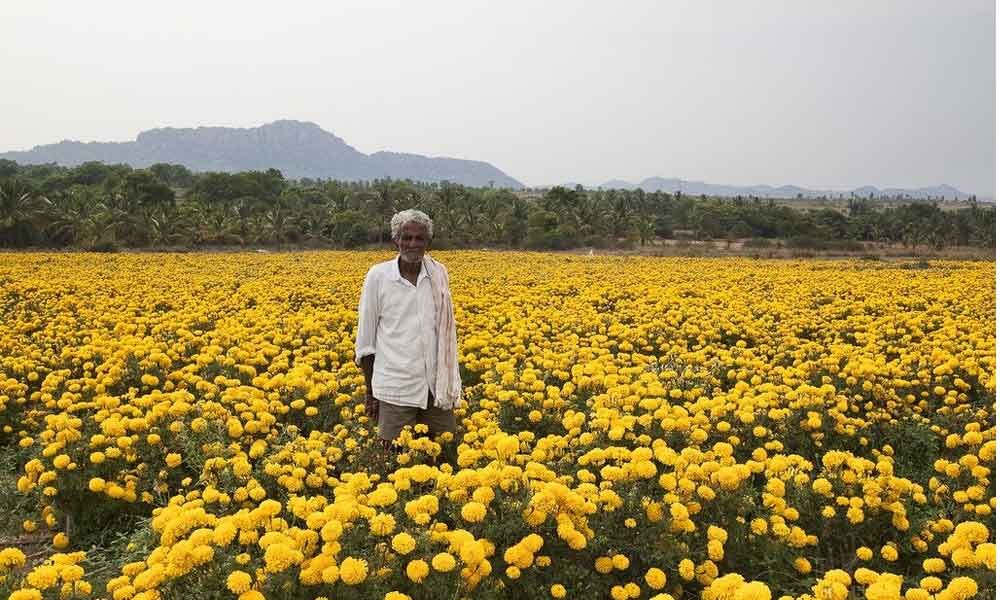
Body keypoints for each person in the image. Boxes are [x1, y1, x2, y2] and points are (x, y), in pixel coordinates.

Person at [355, 209, 462, 452]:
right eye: (406, 237)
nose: (412, 244)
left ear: (428, 242)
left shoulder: (438, 274)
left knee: (442, 456)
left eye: (419, 238)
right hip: (396, 388)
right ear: (396, 240)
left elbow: (443, 331)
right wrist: (371, 394)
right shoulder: (378, 277)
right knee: (394, 459)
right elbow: (366, 342)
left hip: (436, 389)